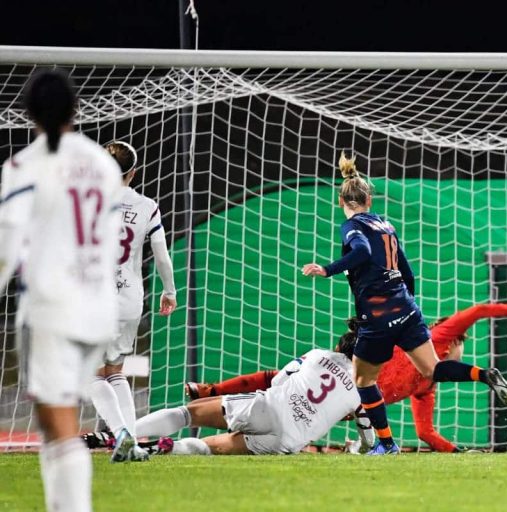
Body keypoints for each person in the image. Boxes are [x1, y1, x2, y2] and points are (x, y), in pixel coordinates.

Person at [301, 152, 507, 455]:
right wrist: (408, 306)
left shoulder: (352, 227)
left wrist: (327, 269)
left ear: (342, 202)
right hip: (405, 310)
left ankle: (387, 443)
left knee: (363, 380)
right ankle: (484, 375)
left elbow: (362, 252)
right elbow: (407, 272)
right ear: (370, 200)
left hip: (377, 318)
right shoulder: (387, 226)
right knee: (432, 370)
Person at [186, 303, 507, 452]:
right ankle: (210, 392)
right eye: (461, 347)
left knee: (276, 390)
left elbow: (425, 432)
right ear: (453, 340)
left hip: (351, 399)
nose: (459, 348)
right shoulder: (436, 337)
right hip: (352, 373)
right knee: (275, 383)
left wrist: (459, 451)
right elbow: (478, 310)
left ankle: (210, 417)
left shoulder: (426, 385)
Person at [0, 70, 122, 512]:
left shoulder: (25, 166)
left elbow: (6, 244)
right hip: (98, 308)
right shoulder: (103, 164)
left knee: (60, 423)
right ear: (75, 110)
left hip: (53, 308)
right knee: (57, 425)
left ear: (28, 113)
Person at [132, 331, 374, 456]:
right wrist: (356, 448)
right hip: (287, 440)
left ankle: (122, 434)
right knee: (208, 448)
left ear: (338, 347)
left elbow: (279, 380)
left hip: (270, 408)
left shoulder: (317, 355)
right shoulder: (364, 389)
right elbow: (369, 439)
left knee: (188, 414)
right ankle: (156, 448)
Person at [87, 141, 177, 463]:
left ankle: (121, 434)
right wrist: (170, 291)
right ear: (134, 172)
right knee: (116, 371)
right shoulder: (148, 206)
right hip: (129, 300)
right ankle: (133, 442)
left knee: (92, 375)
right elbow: (162, 256)